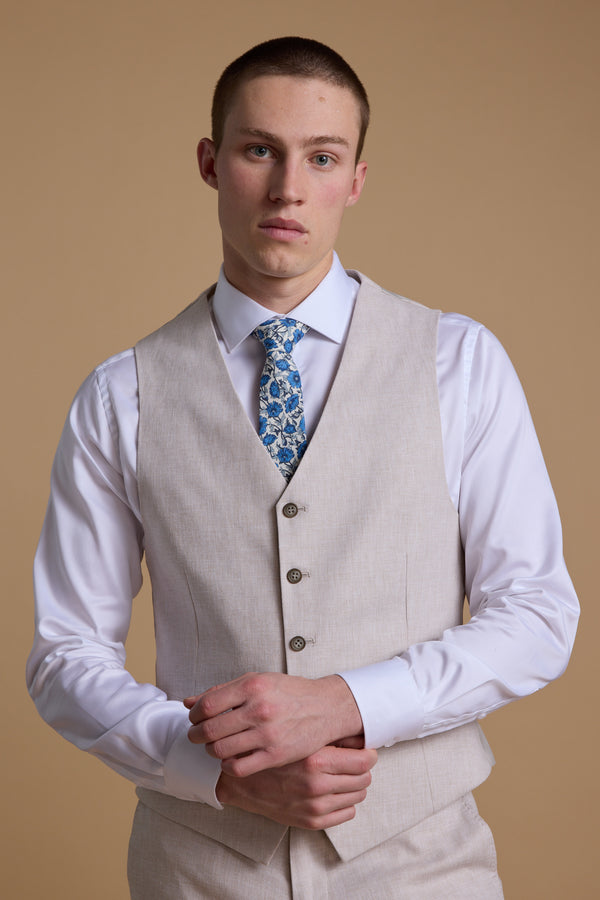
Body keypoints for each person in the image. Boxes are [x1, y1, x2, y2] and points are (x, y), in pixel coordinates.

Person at [27, 36, 579, 899]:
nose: (288, 188)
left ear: (355, 179)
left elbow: (540, 613)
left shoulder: (459, 363)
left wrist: (352, 702)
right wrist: (210, 770)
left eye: (321, 158)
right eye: (259, 151)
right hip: (196, 871)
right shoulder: (120, 394)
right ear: (212, 164)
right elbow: (64, 654)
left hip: (424, 866)